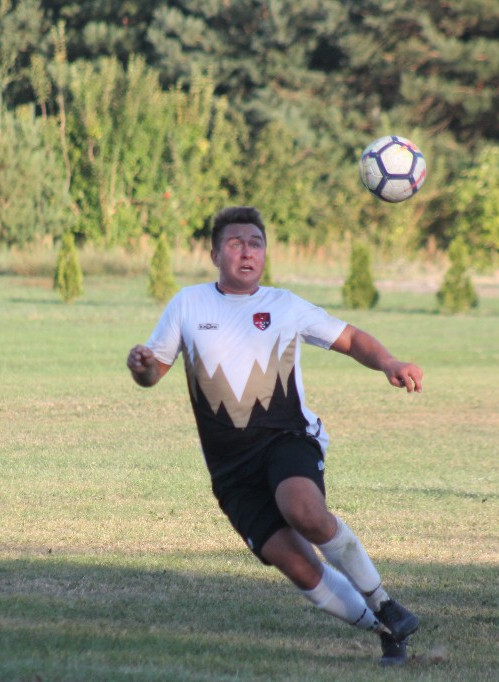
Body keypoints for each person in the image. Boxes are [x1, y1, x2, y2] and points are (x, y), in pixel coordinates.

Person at [126, 206, 422, 666]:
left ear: (264, 254)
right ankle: (387, 630)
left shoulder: (284, 305)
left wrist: (389, 362)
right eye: (235, 242)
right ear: (213, 254)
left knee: (302, 509)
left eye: (256, 243)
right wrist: (142, 367)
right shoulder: (188, 304)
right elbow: (153, 373)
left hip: (287, 438)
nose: (247, 251)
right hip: (230, 469)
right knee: (299, 566)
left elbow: (351, 338)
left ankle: (383, 600)